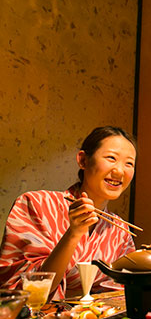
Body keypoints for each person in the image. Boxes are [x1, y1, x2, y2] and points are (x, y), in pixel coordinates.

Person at [0, 126, 137, 299]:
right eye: (111, 158)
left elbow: (120, 295)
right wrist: (74, 233)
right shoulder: (34, 204)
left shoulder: (120, 231)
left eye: (129, 163)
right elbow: (26, 289)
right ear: (83, 161)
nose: (119, 171)